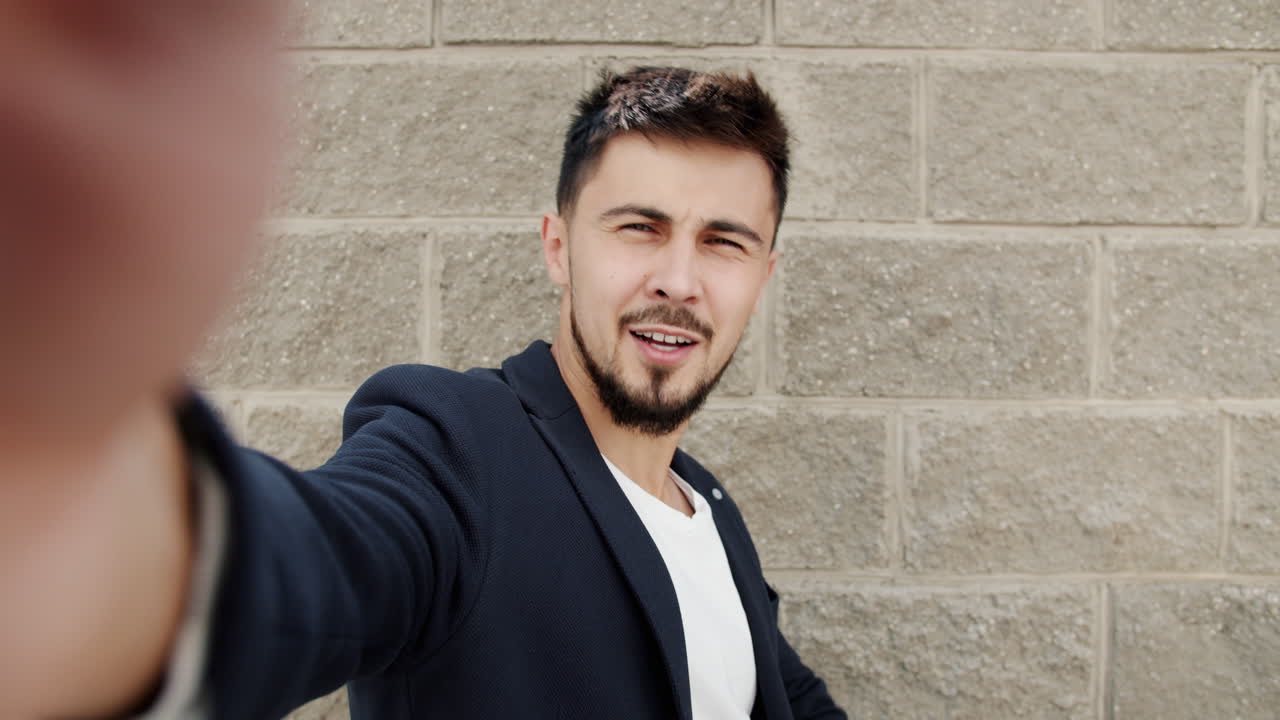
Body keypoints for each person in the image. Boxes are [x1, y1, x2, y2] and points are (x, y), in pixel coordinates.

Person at [0, 3, 846, 719]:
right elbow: (311, 569)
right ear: (559, 249)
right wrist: (59, 488)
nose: (679, 280)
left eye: (723, 243)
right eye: (640, 228)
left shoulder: (711, 512)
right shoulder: (458, 453)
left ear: (762, 276)